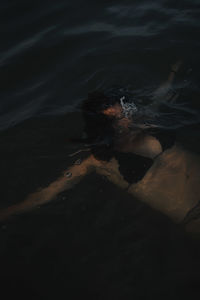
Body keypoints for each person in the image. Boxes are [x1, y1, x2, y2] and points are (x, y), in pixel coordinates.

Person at [1, 61, 200, 235]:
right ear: (105, 126)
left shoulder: (144, 123)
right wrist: (10, 211)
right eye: (118, 117)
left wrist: (173, 71)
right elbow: (48, 193)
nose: (127, 118)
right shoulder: (97, 161)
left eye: (124, 112)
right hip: (192, 216)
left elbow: (161, 96)